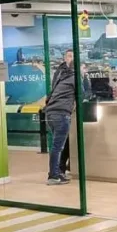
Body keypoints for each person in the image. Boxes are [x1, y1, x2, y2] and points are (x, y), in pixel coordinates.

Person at [45, 49, 77, 185]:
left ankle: (57, 173)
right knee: (58, 147)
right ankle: (53, 176)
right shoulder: (74, 78)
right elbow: (83, 93)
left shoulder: (62, 75)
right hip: (61, 113)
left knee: (57, 146)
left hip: (50, 112)